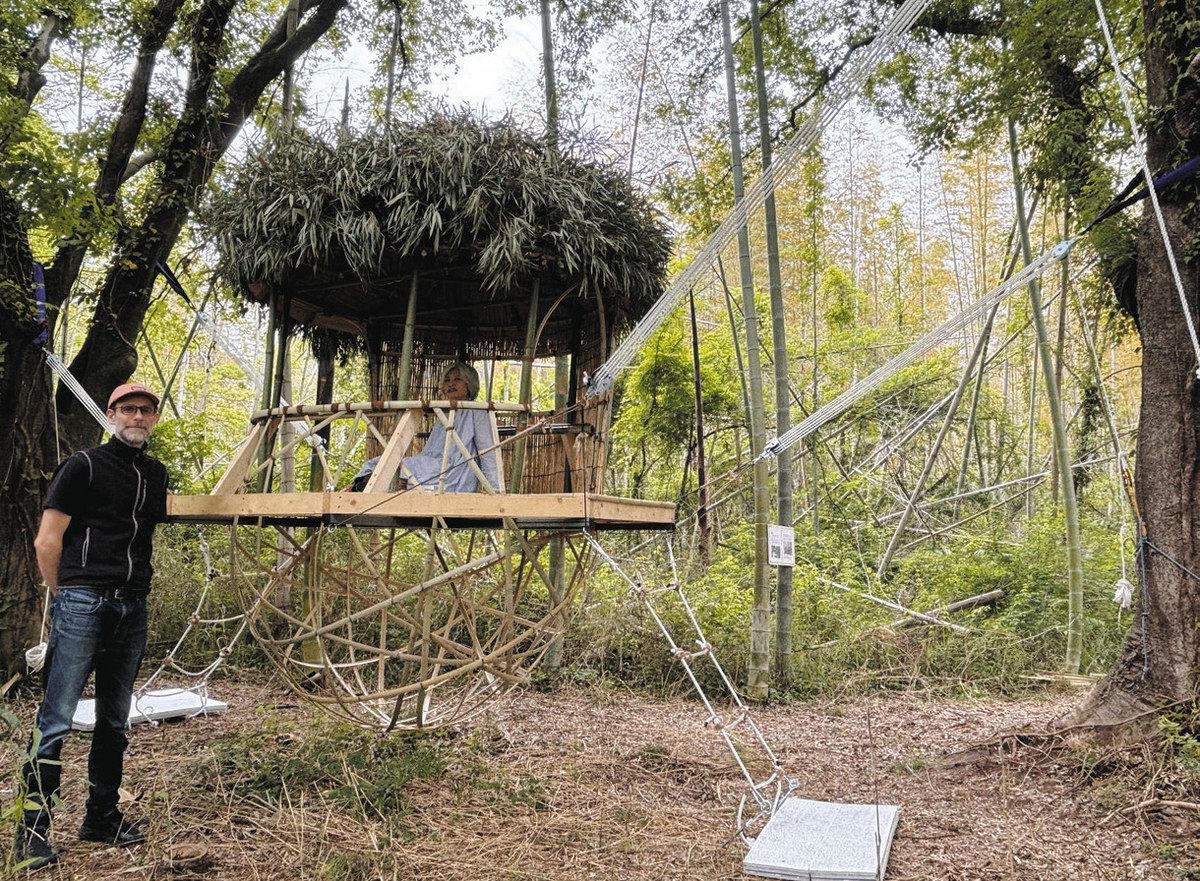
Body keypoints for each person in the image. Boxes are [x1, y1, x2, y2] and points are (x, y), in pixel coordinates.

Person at [14, 383, 170, 871]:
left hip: (132, 605)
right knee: (56, 718)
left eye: (146, 410)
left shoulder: (155, 473)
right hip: (82, 601)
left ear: (154, 418)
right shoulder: (81, 465)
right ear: (111, 414)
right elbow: (47, 540)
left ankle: (101, 817)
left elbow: (142, 536)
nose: (137, 417)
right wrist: (66, 597)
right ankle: (31, 833)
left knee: (114, 719)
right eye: (128, 408)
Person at [347, 362, 498, 493]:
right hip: (433, 465)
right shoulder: (444, 411)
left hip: (454, 473)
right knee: (383, 462)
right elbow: (432, 451)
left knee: (401, 467)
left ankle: (391, 484)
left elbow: (488, 452)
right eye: (447, 380)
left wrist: (496, 490)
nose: (451, 384)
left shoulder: (478, 411)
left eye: (457, 379)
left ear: (469, 383)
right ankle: (361, 486)